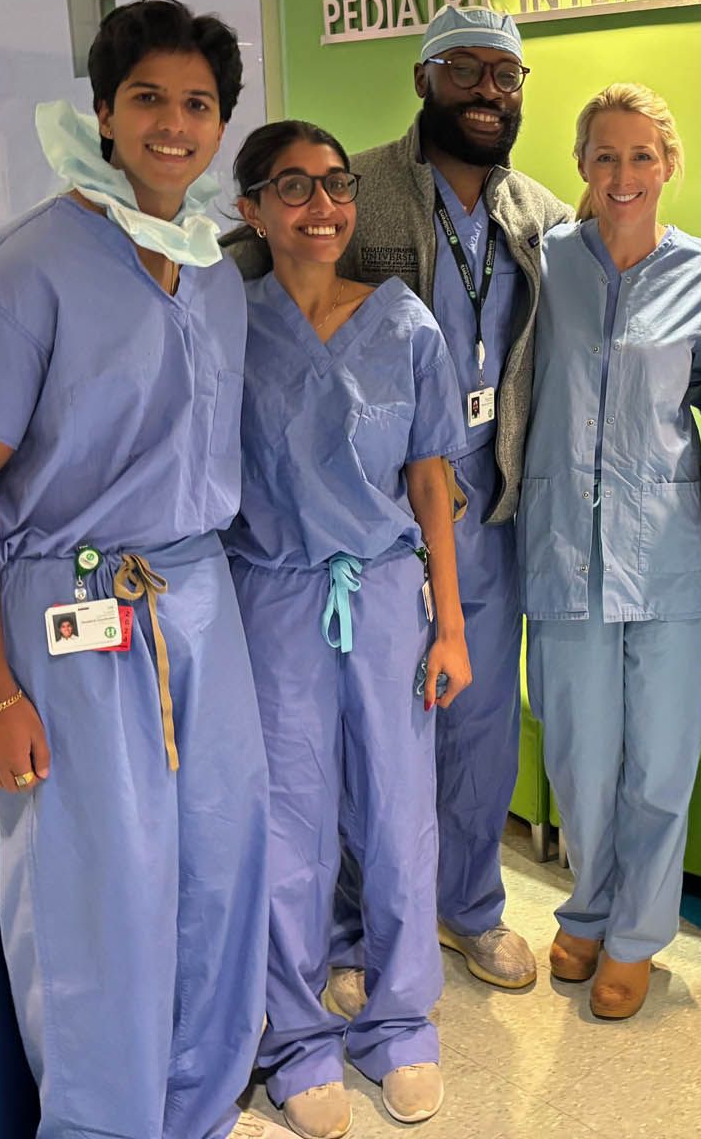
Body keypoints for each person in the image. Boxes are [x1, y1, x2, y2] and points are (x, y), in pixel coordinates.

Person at [0, 0, 269, 1139]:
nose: (174, 124)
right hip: (71, 616)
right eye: (149, 99)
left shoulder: (213, 268)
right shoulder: (26, 269)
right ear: (105, 114)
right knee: (93, 900)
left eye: (198, 104)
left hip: (197, 600)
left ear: (222, 127)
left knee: (221, 870)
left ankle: (199, 1109)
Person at [227, 5, 570, 998]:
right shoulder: (353, 189)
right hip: (361, 511)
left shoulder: (536, 215)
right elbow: (247, 270)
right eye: (465, 70)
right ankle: (348, 926)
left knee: (475, 727)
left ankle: (468, 907)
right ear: (423, 80)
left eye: (507, 76)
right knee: (343, 742)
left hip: (479, 508)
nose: (488, 92)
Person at [225, 120, 471, 1135]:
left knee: (399, 813)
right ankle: (294, 1036)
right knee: (286, 820)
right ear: (249, 209)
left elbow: (431, 481)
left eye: (335, 186)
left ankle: (400, 1019)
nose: (323, 206)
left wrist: (449, 626)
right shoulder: (227, 328)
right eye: (294, 187)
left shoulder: (406, 323)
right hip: (273, 596)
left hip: (380, 597)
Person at [521, 83, 701, 1020]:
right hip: (564, 546)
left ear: (669, 164)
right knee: (580, 756)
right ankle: (589, 906)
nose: (625, 174)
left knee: (660, 761)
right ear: (583, 166)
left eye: (643, 156)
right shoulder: (544, 261)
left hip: (670, 551)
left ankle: (637, 934)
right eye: (606, 155)